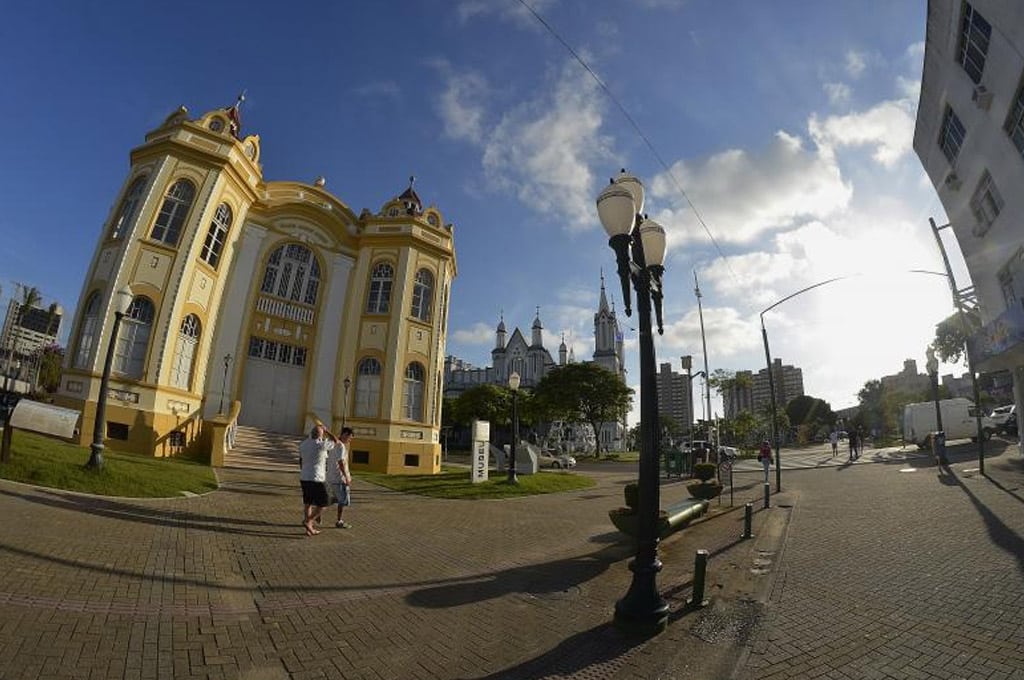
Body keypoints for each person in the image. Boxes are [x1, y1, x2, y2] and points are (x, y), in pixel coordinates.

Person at [299, 423, 337, 537]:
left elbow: (300, 460)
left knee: (308, 503)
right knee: (324, 503)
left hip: (305, 477)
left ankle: (309, 528)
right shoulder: (321, 445)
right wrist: (327, 431)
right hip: (317, 478)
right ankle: (309, 521)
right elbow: (336, 441)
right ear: (321, 435)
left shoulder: (303, 444)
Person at [327, 427, 354, 528]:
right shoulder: (341, 446)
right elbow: (341, 463)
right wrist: (346, 477)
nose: (349, 440)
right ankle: (339, 521)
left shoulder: (333, 444)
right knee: (342, 501)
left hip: (331, 478)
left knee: (329, 500)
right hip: (339, 479)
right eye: (350, 438)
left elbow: (333, 438)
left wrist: (326, 431)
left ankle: (313, 516)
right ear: (345, 435)